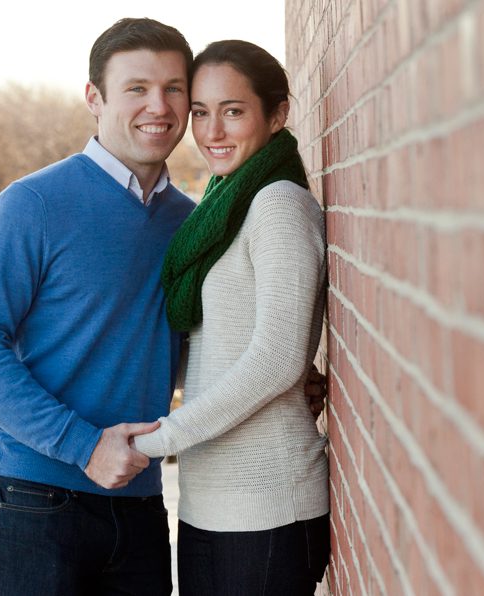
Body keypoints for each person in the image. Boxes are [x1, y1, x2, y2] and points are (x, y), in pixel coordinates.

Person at [0, 19, 324, 595]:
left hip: (140, 505)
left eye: (175, 88)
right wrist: (84, 445)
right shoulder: (31, 205)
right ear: (94, 98)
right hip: (33, 501)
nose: (160, 106)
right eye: (136, 88)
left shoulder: (192, 222)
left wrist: (293, 372)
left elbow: (188, 339)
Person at [132, 40, 329, 595]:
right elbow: (219, 345)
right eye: (200, 112)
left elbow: (276, 360)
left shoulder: (277, 205)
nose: (212, 131)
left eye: (233, 111)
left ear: (278, 114)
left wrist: (160, 438)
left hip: (269, 502)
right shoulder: (225, 205)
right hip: (210, 499)